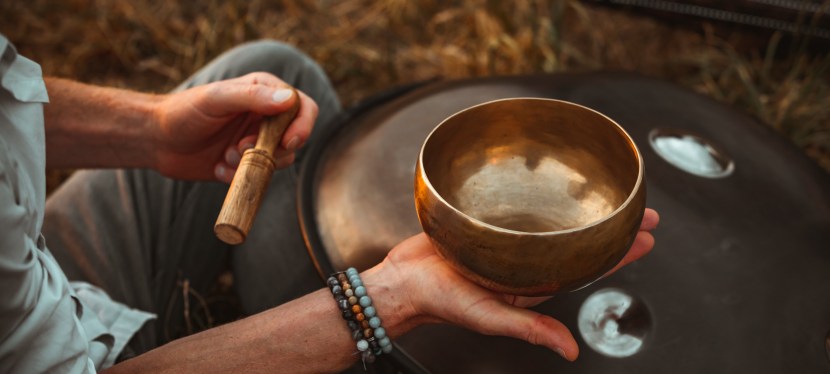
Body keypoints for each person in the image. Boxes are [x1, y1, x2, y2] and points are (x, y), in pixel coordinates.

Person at [0, 32, 659, 373]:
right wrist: (384, 302)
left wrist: (154, 128)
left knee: (279, 68)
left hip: (35, 276)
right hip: (62, 348)